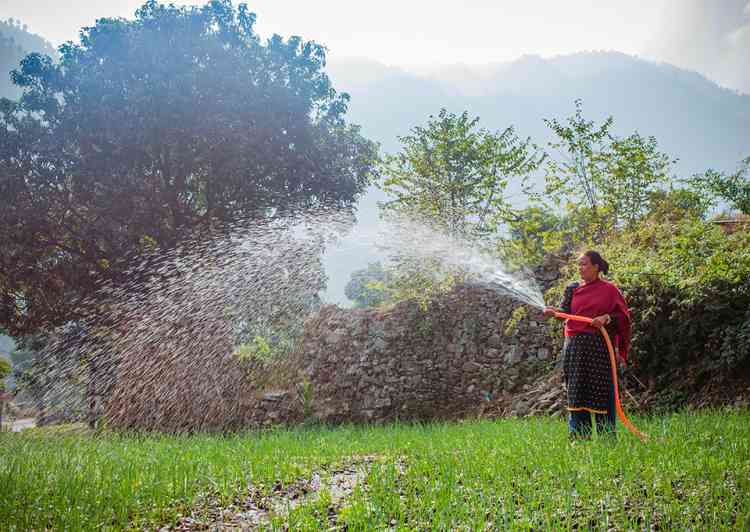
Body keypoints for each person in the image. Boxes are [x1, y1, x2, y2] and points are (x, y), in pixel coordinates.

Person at [543, 250, 631, 439]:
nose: (580, 268)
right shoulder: (572, 288)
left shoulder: (610, 290)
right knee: (576, 391)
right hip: (574, 348)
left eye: (584, 264)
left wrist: (606, 317)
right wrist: (554, 312)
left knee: (601, 391)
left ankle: (607, 438)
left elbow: (622, 316)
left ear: (596, 267)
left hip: (599, 348)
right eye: (579, 264)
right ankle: (579, 438)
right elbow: (564, 312)